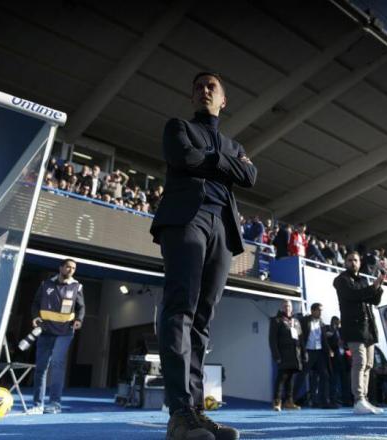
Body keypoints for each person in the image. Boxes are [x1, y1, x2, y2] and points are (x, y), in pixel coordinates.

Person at [150, 72, 256, 440]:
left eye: (212, 86)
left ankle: (195, 412)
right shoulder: (177, 126)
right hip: (185, 220)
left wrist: (213, 159)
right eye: (198, 85)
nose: (203, 88)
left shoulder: (233, 141)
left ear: (223, 100)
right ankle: (179, 414)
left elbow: (251, 176)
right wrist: (228, 161)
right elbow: (184, 157)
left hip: (224, 230)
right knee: (180, 308)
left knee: (202, 320)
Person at [333, 251, 385, 415]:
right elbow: (353, 295)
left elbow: (374, 300)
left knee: (369, 364)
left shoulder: (363, 280)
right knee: (360, 361)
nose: (353, 263)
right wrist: (373, 287)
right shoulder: (341, 280)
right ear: (345, 263)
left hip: (367, 327)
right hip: (353, 327)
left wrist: (378, 286)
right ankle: (358, 399)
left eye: (355, 260)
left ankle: (364, 399)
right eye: (349, 260)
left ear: (360, 262)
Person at [30, 259, 85, 415]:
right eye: (68, 266)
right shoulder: (45, 284)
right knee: (41, 367)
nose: (70, 270)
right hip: (46, 330)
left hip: (65, 331)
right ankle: (37, 404)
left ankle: (55, 403)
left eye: (73, 268)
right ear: (60, 267)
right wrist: (35, 316)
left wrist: (79, 320)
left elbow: (81, 307)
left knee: (57, 364)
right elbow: (35, 303)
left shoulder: (77, 286)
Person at [269, 300, 304, 411]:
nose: (287, 308)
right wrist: (276, 355)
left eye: (288, 306)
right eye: (285, 306)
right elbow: (272, 340)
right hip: (283, 354)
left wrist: (303, 353)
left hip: (295, 355)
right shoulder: (276, 320)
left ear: (292, 308)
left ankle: (289, 401)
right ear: (281, 307)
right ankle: (277, 402)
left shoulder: (296, 321)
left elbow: (301, 338)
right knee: (281, 378)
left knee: (291, 379)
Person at [299, 303, 336, 408]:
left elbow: (323, 339)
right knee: (302, 376)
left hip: (319, 352)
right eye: (319, 310)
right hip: (308, 351)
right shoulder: (304, 321)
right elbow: (301, 338)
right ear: (312, 311)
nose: (321, 312)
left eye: (321, 310)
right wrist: (303, 351)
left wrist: (329, 350)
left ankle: (324, 401)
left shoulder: (321, 323)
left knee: (325, 375)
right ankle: (290, 400)